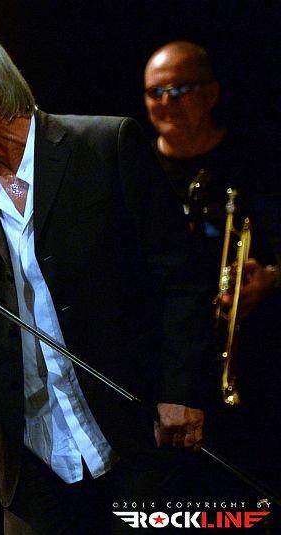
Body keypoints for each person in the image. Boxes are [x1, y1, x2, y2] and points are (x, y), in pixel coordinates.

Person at [0, 23, 211, 534]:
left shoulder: (104, 146)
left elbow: (180, 277)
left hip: (135, 437)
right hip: (33, 458)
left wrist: (180, 389)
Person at [144, 41, 281, 496]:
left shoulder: (257, 161)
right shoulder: (137, 169)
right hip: (168, 366)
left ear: (211, 93)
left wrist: (271, 279)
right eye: (156, 92)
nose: (167, 102)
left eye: (180, 89)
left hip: (255, 361)